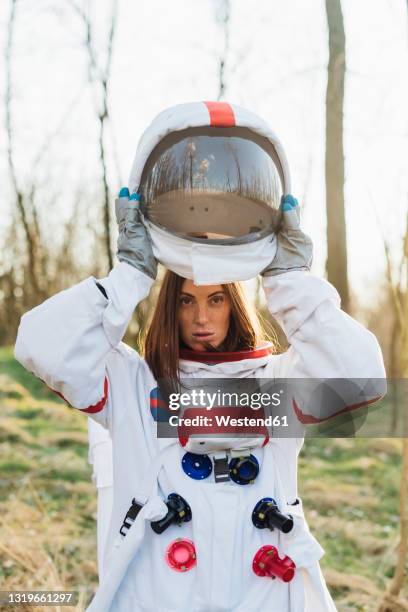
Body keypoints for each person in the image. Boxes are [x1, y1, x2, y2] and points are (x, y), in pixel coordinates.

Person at [15, 102, 386, 612]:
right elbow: (40, 345)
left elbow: (362, 378)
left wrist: (289, 281)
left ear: (236, 306)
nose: (202, 318)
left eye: (216, 299)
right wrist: (130, 273)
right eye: (187, 300)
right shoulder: (132, 384)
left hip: (264, 596)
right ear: (170, 307)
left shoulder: (276, 382)